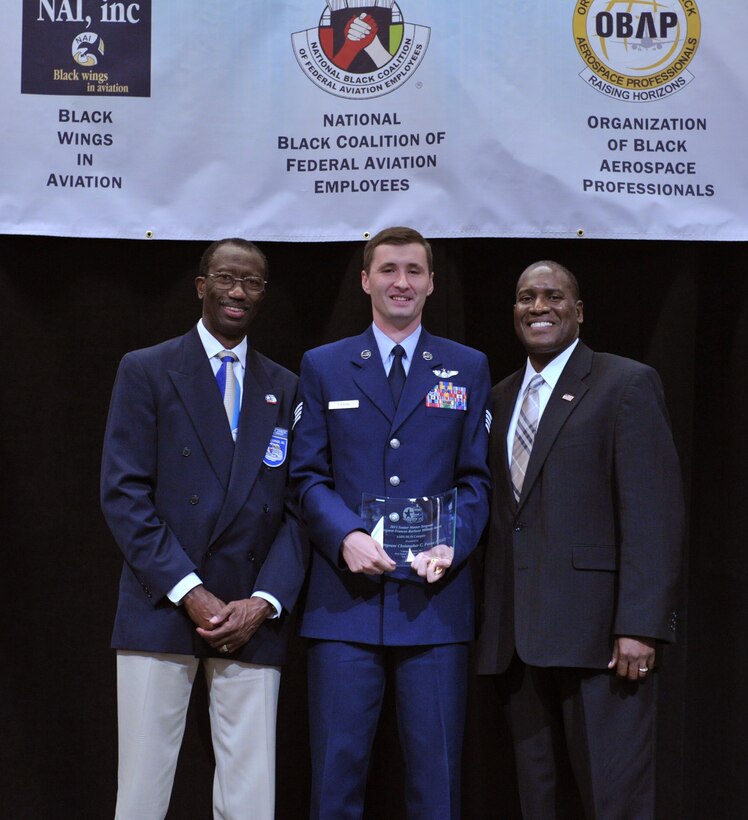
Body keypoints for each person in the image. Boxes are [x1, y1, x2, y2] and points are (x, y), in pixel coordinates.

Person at [100, 238, 307, 819]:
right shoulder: (147, 369)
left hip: (249, 613)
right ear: (201, 285)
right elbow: (123, 494)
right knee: (141, 791)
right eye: (226, 278)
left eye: (252, 282)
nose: (238, 292)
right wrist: (190, 592)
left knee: (250, 797)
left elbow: (297, 511)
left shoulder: (287, 387)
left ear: (263, 294)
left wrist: (263, 602)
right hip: (160, 604)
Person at [290, 226, 491, 819]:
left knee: (437, 786)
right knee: (335, 780)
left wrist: (451, 543)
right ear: (365, 281)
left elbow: (477, 481)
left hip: (434, 607)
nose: (400, 282)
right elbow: (305, 475)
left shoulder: (466, 366)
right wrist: (344, 535)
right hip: (344, 606)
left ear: (431, 283)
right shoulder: (324, 366)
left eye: (413, 271)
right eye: (387, 270)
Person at [476, 260, 684, 819]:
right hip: (518, 640)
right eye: (525, 297)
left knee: (613, 800)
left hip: (601, 641)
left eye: (552, 296)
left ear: (579, 310)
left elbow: (654, 515)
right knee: (536, 800)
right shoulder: (498, 396)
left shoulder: (625, 382)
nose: (538, 307)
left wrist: (639, 625)